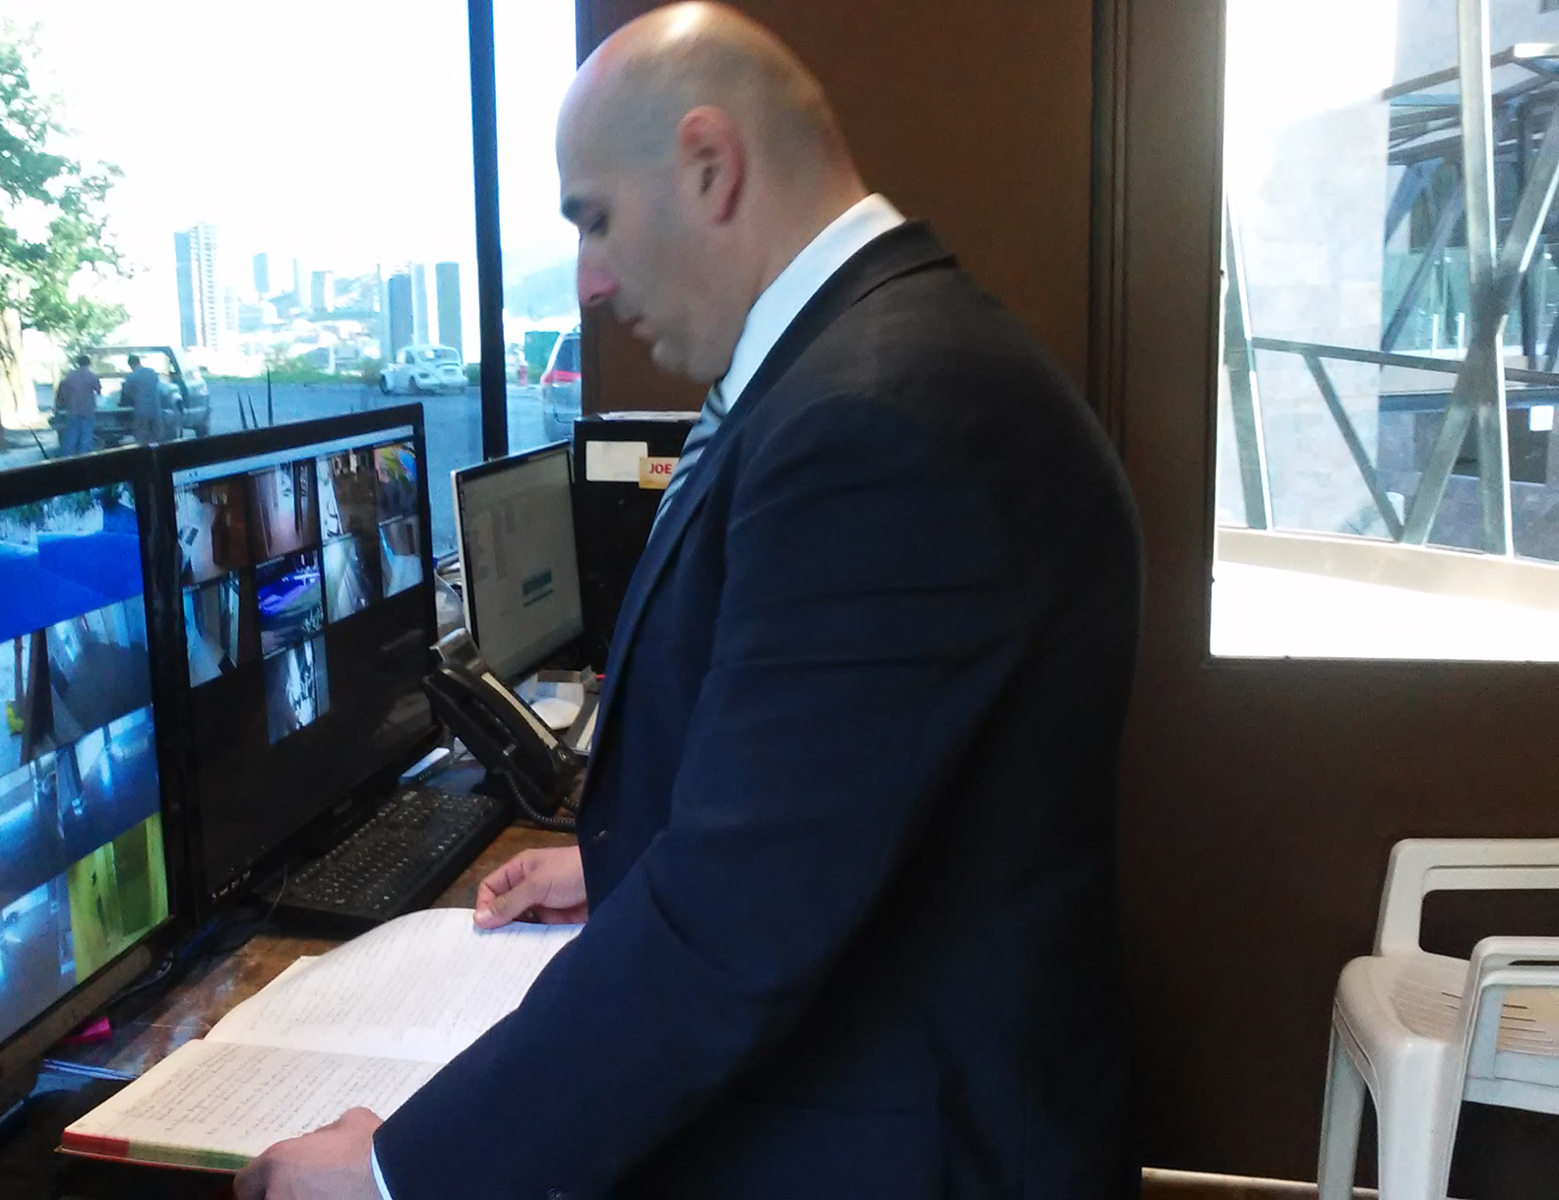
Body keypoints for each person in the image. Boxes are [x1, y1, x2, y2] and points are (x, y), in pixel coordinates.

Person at [239, 5, 1142, 1198]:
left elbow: (733, 927)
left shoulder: (871, 423)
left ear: (709, 165)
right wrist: (630, 855)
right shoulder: (867, 362)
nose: (589, 279)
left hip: (896, 1147)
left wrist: (391, 1174)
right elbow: (832, 784)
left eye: (593, 218)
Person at [55, 353, 102, 456]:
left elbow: (63, 391)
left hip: (72, 409)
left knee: (71, 435)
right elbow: (98, 391)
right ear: (89, 363)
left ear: (78, 363)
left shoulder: (70, 376)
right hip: (87, 410)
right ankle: (85, 457)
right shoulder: (92, 376)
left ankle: (68, 457)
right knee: (86, 435)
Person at [120, 353, 162, 445]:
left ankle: (144, 449)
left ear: (130, 365)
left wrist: (133, 396)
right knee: (156, 432)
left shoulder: (131, 376)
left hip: (141, 407)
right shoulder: (151, 372)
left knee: (142, 433)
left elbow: (126, 391)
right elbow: (157, 385)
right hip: (155, 406)